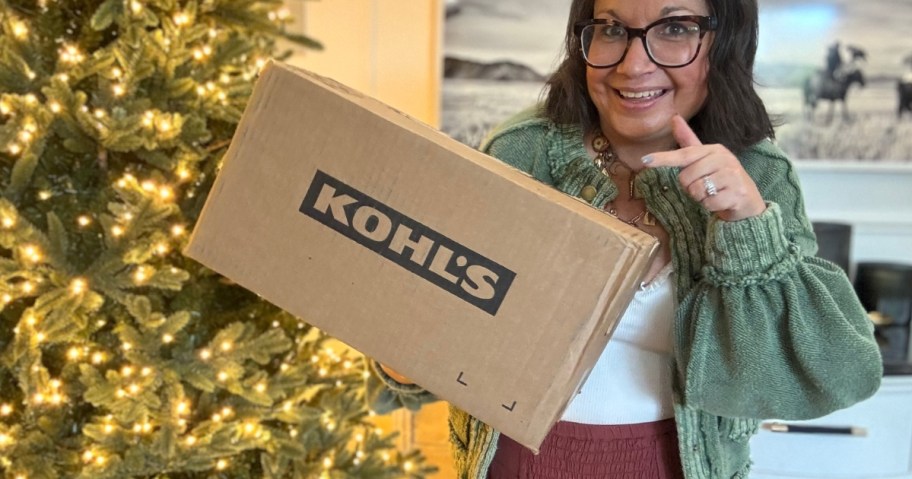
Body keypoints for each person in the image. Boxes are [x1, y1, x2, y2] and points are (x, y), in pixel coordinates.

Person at [369, 0, 883, 477]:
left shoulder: (760, 176)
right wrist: (405, 348)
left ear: (725, 42)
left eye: (675, 28)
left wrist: (745, 227)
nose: (633, 66)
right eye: (612, 29)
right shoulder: (519, 151)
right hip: (517, 461)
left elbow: (823, 374)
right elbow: (442, 332)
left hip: (673, 465)